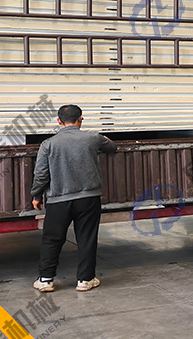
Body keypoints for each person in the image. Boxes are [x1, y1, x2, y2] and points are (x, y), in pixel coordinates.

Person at [30, 104, 117, 292]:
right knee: (86, 238)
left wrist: (36, 195)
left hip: (58, 200)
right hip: (88, 198)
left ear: (59, 121)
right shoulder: (93, 138)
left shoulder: (48, 144)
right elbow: (112, 147)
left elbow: (41, 174)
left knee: (52, 239)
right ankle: (85, 280)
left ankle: (45, 280)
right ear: (80, 119)